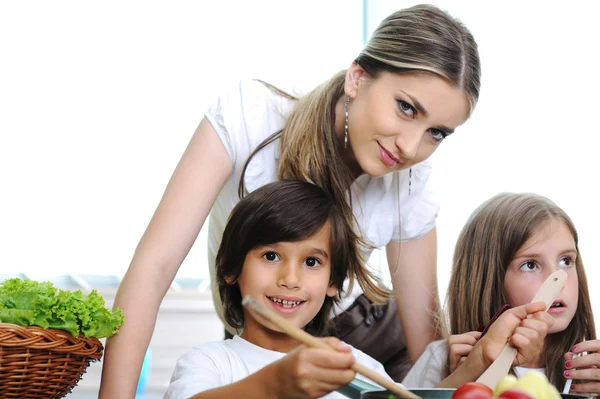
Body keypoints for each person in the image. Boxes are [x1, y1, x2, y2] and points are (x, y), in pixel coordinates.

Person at [99, 4, 482, 396]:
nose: (409, 147)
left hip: (370, 334)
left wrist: (470, 367)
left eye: (436, 133)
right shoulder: (251, 114)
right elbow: (154, 268)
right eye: (405, 107)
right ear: (358, 78)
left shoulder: (413, 184)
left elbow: (427, 356)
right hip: (267, 319)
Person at [164, 180, 395, 399]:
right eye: (271, 256)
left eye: (311, 262)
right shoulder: (209, 362)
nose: (290, 279)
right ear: (230, 268)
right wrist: (273, 385)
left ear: (333, 281)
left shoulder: (359, 368)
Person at [402, 193, 598, 395]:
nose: (558, 282)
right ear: (488, 280)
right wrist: (461, 377)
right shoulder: (440, 358)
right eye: (530, 265)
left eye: (566, 261)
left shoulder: (590, 368)